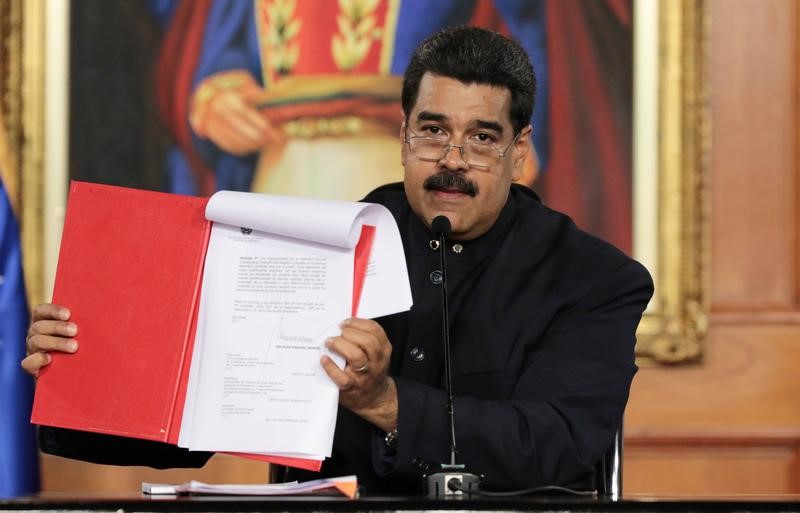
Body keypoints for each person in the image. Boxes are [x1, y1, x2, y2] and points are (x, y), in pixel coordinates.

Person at [23, 27, 653, 494]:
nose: (453, 159)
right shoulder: (318, 249)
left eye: (482, 138)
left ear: (518, 153)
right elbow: (208, 409)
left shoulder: (595, 280)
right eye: (433, 131)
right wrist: (78, 370)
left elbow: (555, 443)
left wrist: (384, 401)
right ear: (403, 137)